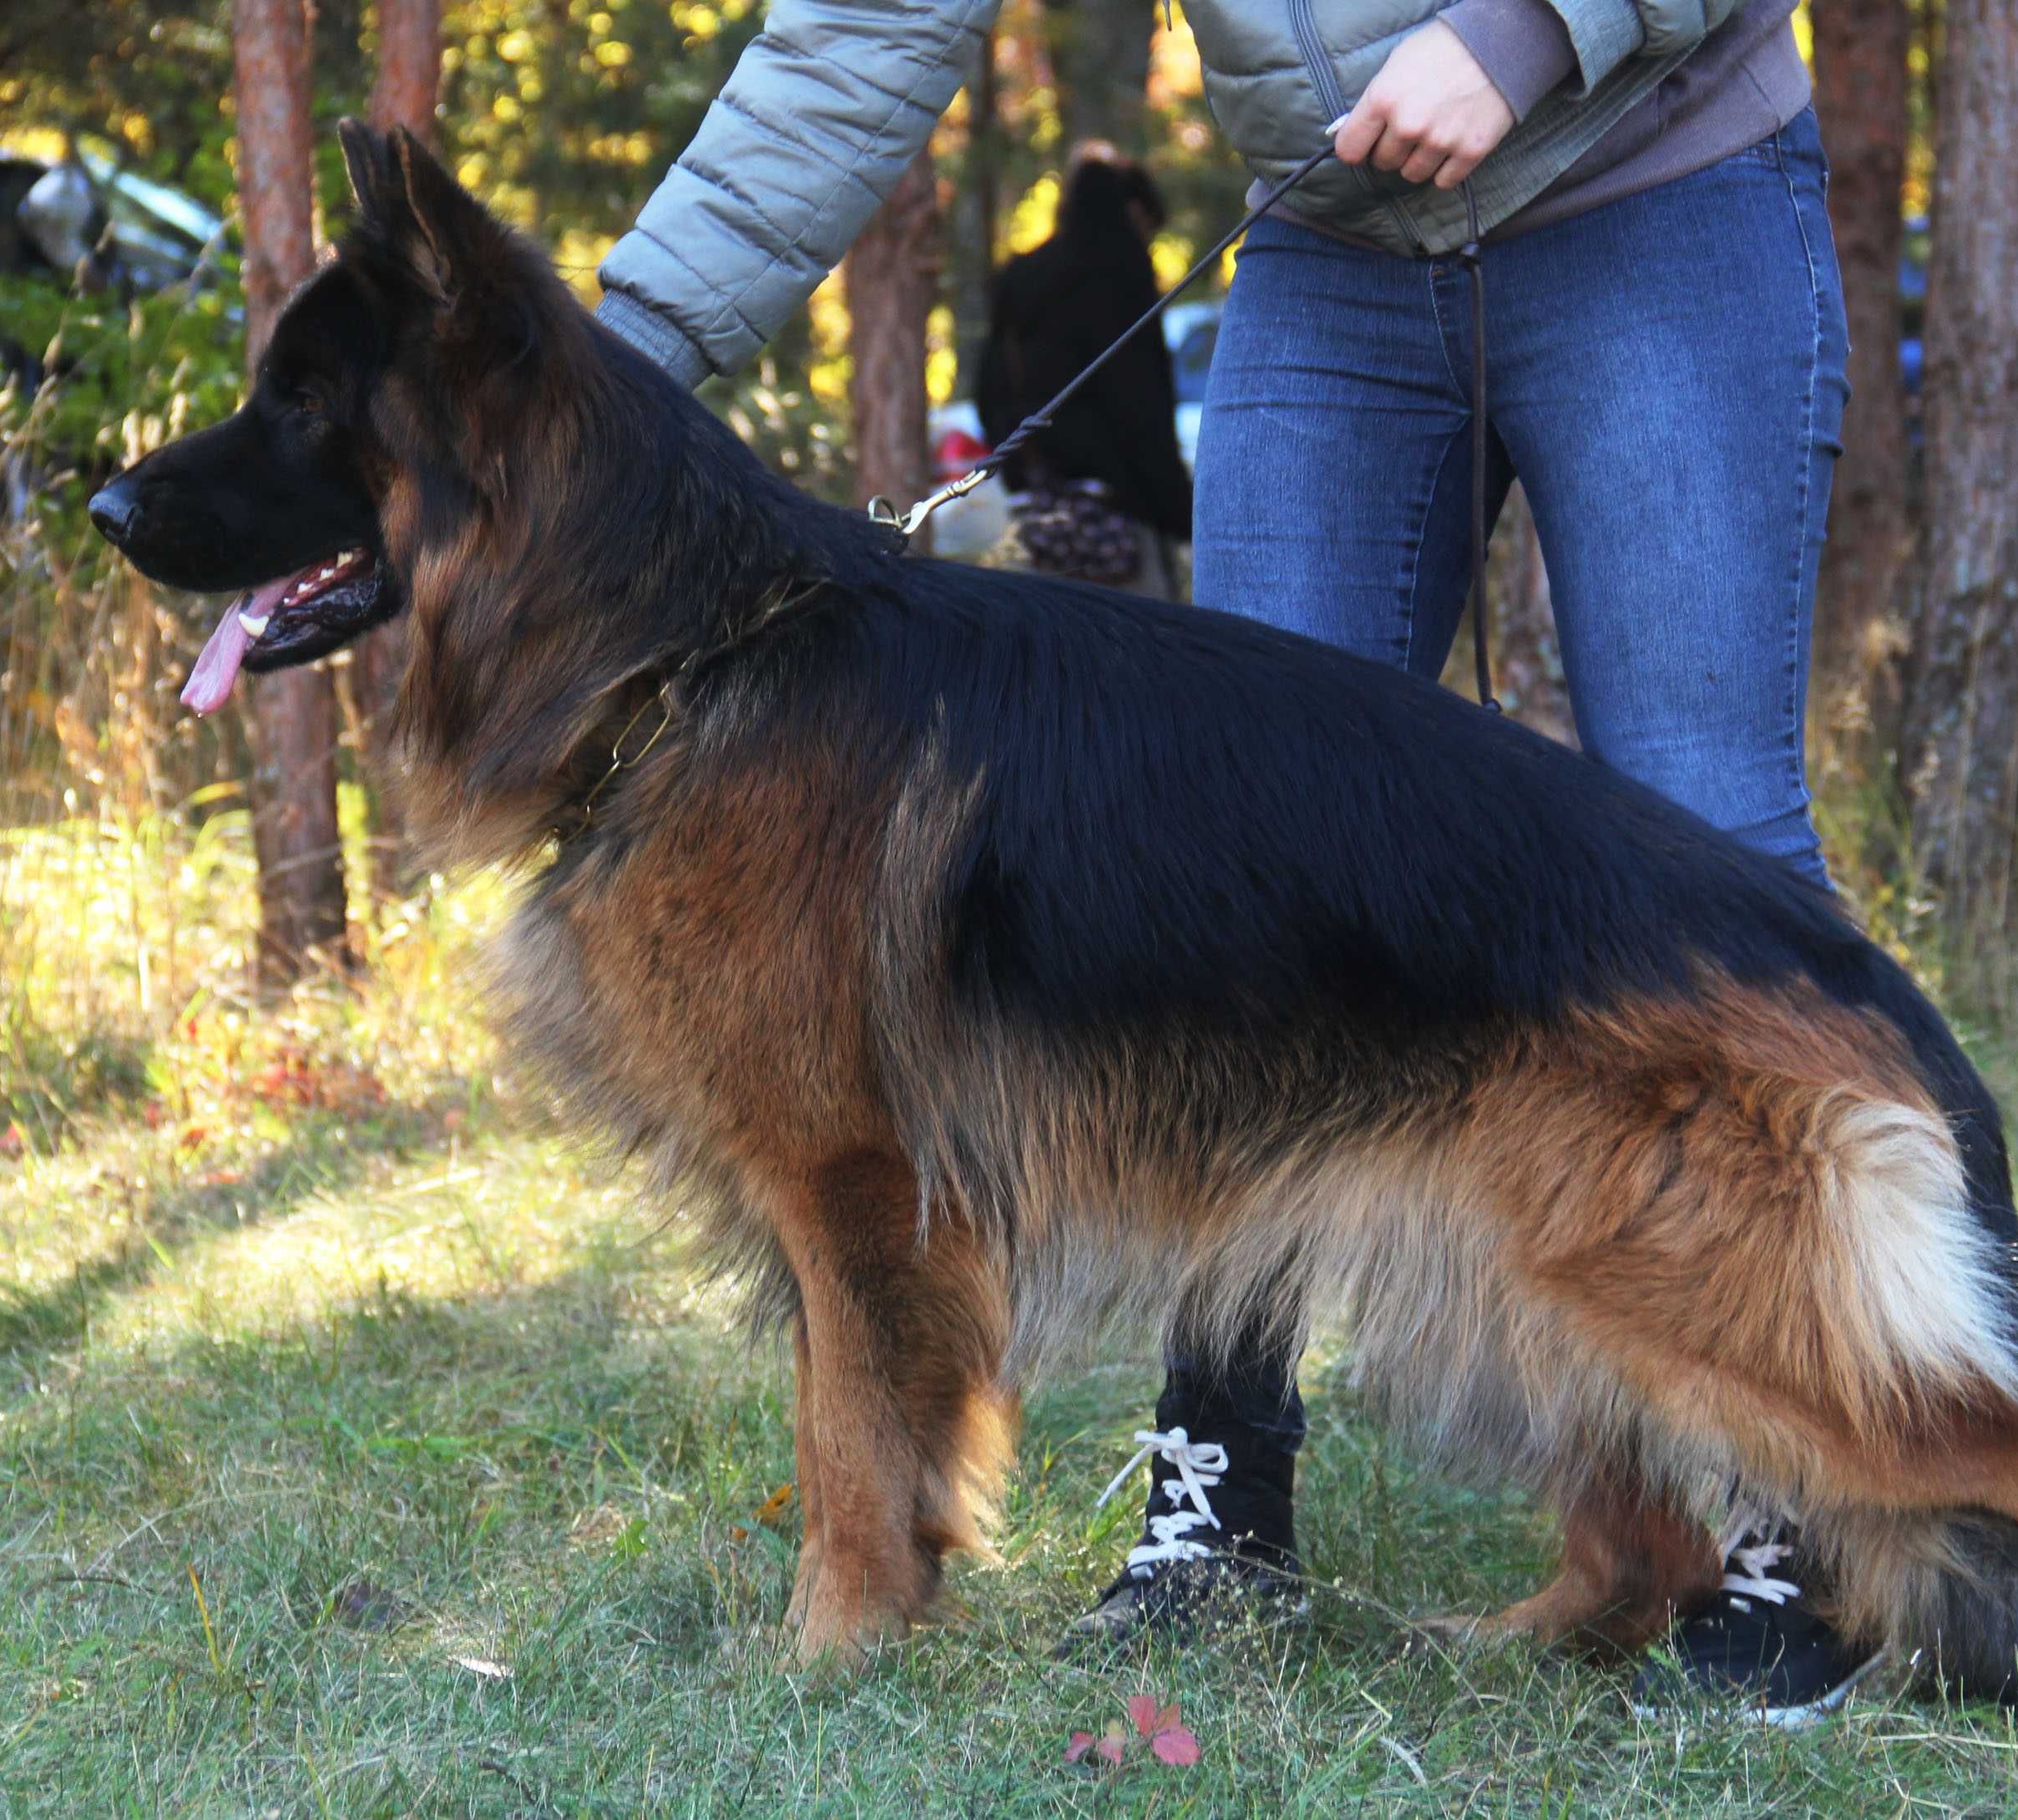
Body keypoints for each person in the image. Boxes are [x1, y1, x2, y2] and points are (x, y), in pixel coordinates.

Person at [596, 0, 1869, 1725]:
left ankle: (1797, 1514)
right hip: (1335, 246)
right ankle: (1220, 1490)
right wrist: (611, 363)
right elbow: (858, 33)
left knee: (1708, 821)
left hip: (1656, 186)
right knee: (1217, 888)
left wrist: (1521, 37)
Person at [975, 150, 1191, 595]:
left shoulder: (1020, 277)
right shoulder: (1122, 277)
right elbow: (1141, 405)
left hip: (1043, 520)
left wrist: (1023, 473)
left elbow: (990, 389)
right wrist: (1180, 511)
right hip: (1122, 521)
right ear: (1134, 211)